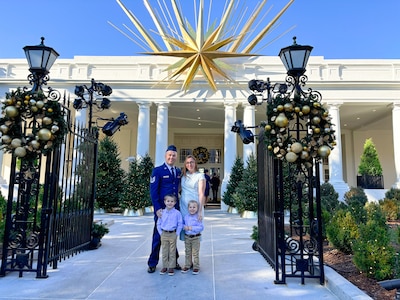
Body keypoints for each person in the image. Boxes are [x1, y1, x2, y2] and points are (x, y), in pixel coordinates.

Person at [147, 145, 181, 273]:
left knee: (172, 235)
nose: (171, 157)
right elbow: (153, 191)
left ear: (176, 157)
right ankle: (152, 263)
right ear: (165, 156)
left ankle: (174, 261)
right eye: (169, 155)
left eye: (173, 155)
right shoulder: (158, 171)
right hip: (162, 210)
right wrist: (157, 208)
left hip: (174, 210)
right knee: (158, 236)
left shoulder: (177, 171)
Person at [157, 194, 183, 276]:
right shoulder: (162, 213)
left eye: (172, 201)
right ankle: (165, 266)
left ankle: (171, 267)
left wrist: (177, 233)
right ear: (164, 202)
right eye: (168, 201)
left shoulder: (177, 213)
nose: (170, 203)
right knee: (165, 251)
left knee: (172, 251)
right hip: (164, 233)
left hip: (173, 234)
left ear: (175, 203)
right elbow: (158, 223)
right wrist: (161, 233)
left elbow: (180, 224)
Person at [180, 155, 206, 224]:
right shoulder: (183, 176)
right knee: (183, 228)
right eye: (187, 163)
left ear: (195, 163)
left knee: (194, 229)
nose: (190, 164)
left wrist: (200, 211)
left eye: (192, 162)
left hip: (194, 207)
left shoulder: (200, 176)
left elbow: (201, 194)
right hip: (183, 206)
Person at [181, 200, 204, 275]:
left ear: (197, 208)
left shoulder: (198, 217)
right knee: (187, 252)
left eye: (194, 207)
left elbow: (201, 227)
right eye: (190, 207)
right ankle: (188, 265)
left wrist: (191, 228)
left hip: (195, 237)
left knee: (195, 253)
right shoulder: (186, 217)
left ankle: (196, 266)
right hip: (187, 237)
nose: (192, 209)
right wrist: (184, 227)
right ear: (188, 208)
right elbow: (182, 225)